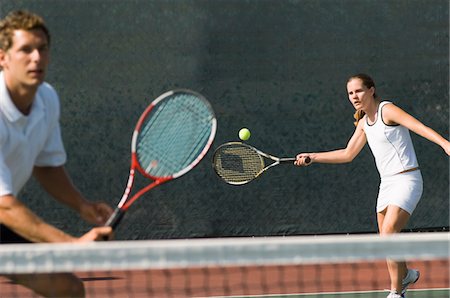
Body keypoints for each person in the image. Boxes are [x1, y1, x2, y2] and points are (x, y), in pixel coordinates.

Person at [294, 73, 450, 298]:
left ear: (371, 90)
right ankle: (406, 275)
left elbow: (418, 126)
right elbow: (348, 154)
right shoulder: (363, 123)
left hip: (408, 179)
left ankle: (397, 293)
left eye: (358, 90)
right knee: (386, 239)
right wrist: (314, 156)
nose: (354, 96)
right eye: (350, 93)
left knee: (389, 233)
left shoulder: (387, 110)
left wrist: (445, 143)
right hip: (386, 184)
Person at [0, 10, 113, 297]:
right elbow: (5, 207)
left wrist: (80, 205)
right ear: (3, 58)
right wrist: (70, 244)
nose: (36, 58)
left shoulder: (46, 98)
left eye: (42, 49)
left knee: (67, 289)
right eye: (25, 50)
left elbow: (46, 166)